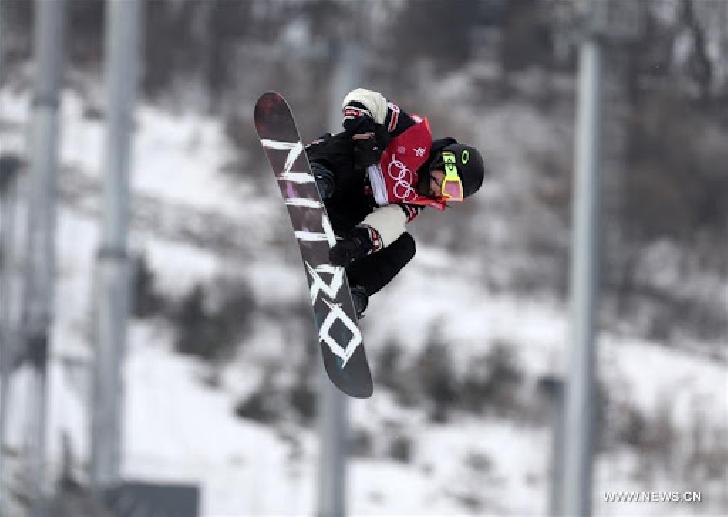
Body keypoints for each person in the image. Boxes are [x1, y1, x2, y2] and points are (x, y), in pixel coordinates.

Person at [305, 88, 486, 318]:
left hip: (342, 210)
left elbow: (389, 221)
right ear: (445, 164)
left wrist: (359, 242)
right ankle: (319, 177)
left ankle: (351, 289)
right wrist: (363, 129)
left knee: (405, 246)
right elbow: (367, 99)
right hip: (337, 169)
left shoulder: (417, 201)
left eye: (453, 195)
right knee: (367, 151)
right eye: (450, 186)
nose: (443, 193)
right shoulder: (413, 137)